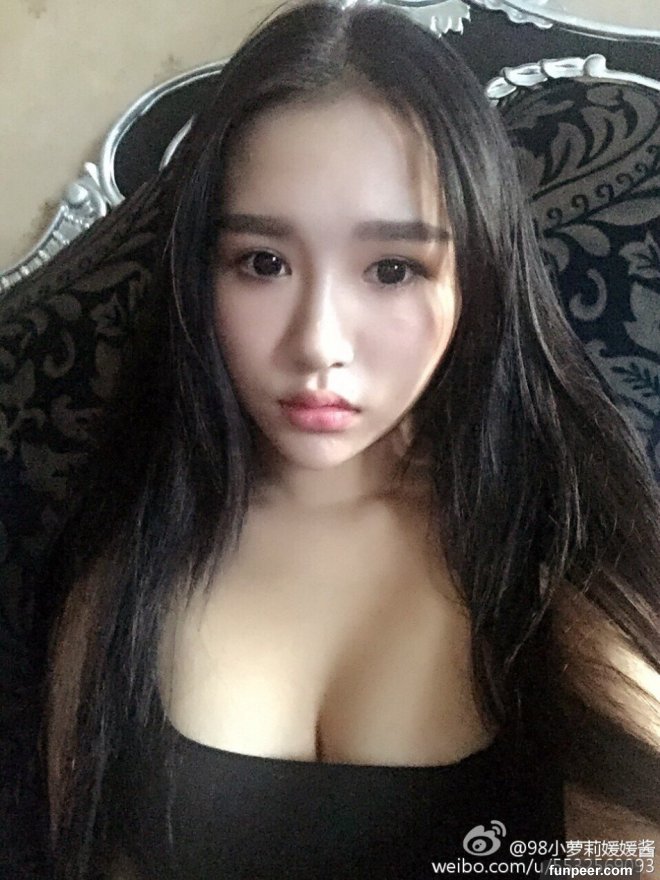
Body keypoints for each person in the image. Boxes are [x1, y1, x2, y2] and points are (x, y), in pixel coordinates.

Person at [16, 0, 660, 877]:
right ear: (198, 276)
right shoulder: (119, 571)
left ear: (477, 276)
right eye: (263, 263)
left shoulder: (564, 566)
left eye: (392, 269)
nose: (318, 342)